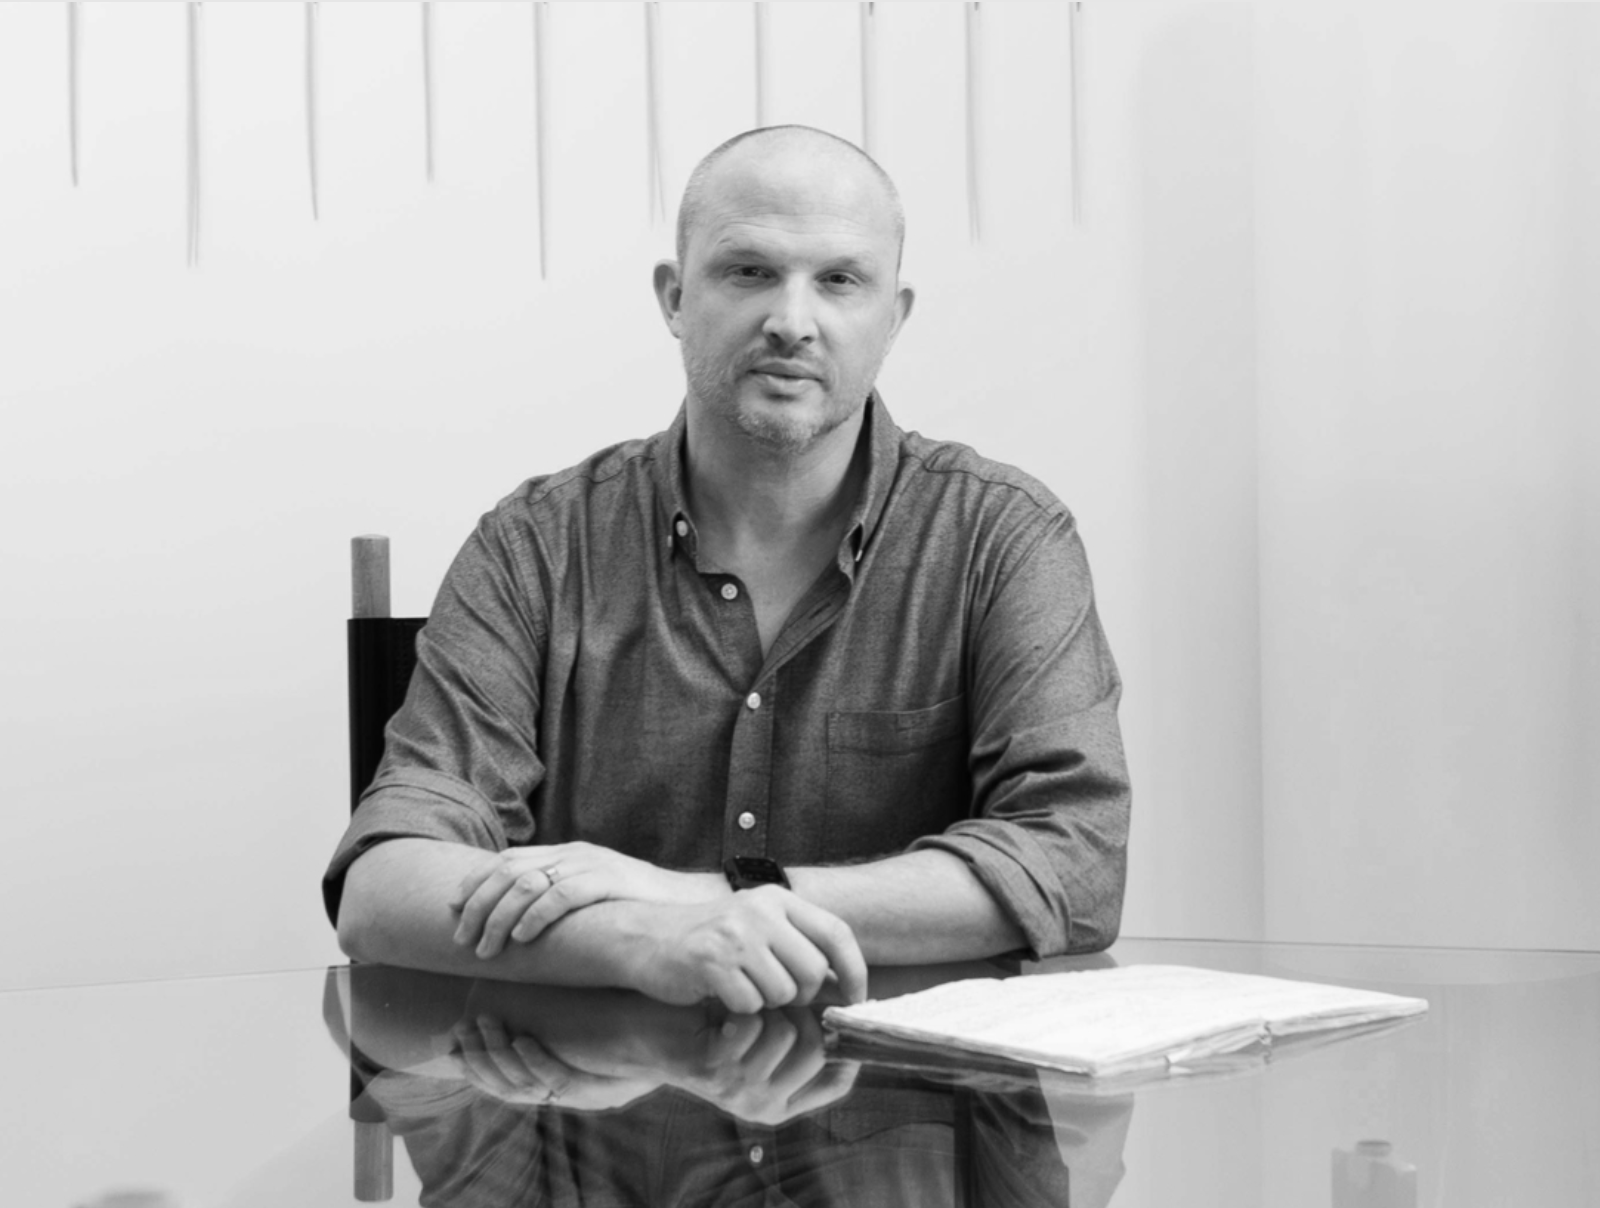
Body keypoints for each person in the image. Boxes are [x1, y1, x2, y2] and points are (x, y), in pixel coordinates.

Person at [325, 124, 1130, 1015]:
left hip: (913, 1126)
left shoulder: (1002, 539)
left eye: (839, 280)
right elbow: (381, 889)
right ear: (675, 297)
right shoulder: (536, 548)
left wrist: (705, 896)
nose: (792, 320)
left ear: (892, 319)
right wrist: (642, 940)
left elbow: (1076, 861)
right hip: (601, 1122)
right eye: (748, 271)